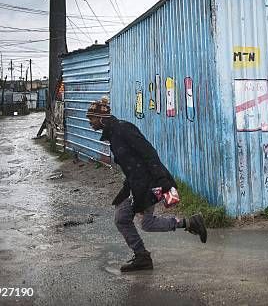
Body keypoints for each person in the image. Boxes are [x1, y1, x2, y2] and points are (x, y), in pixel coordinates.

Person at [86, 96, 207, 273]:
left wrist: (162, 181)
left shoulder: (123, 129)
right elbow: (131, 165)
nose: (90, 123)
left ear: (101, 118)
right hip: (138, 183)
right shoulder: (113, 134)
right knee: (143, 222)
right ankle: (189, 224)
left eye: (92, 118)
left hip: (150, 183)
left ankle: (143, 257)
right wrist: (128, 187)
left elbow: (148, 152)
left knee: (125, 219)